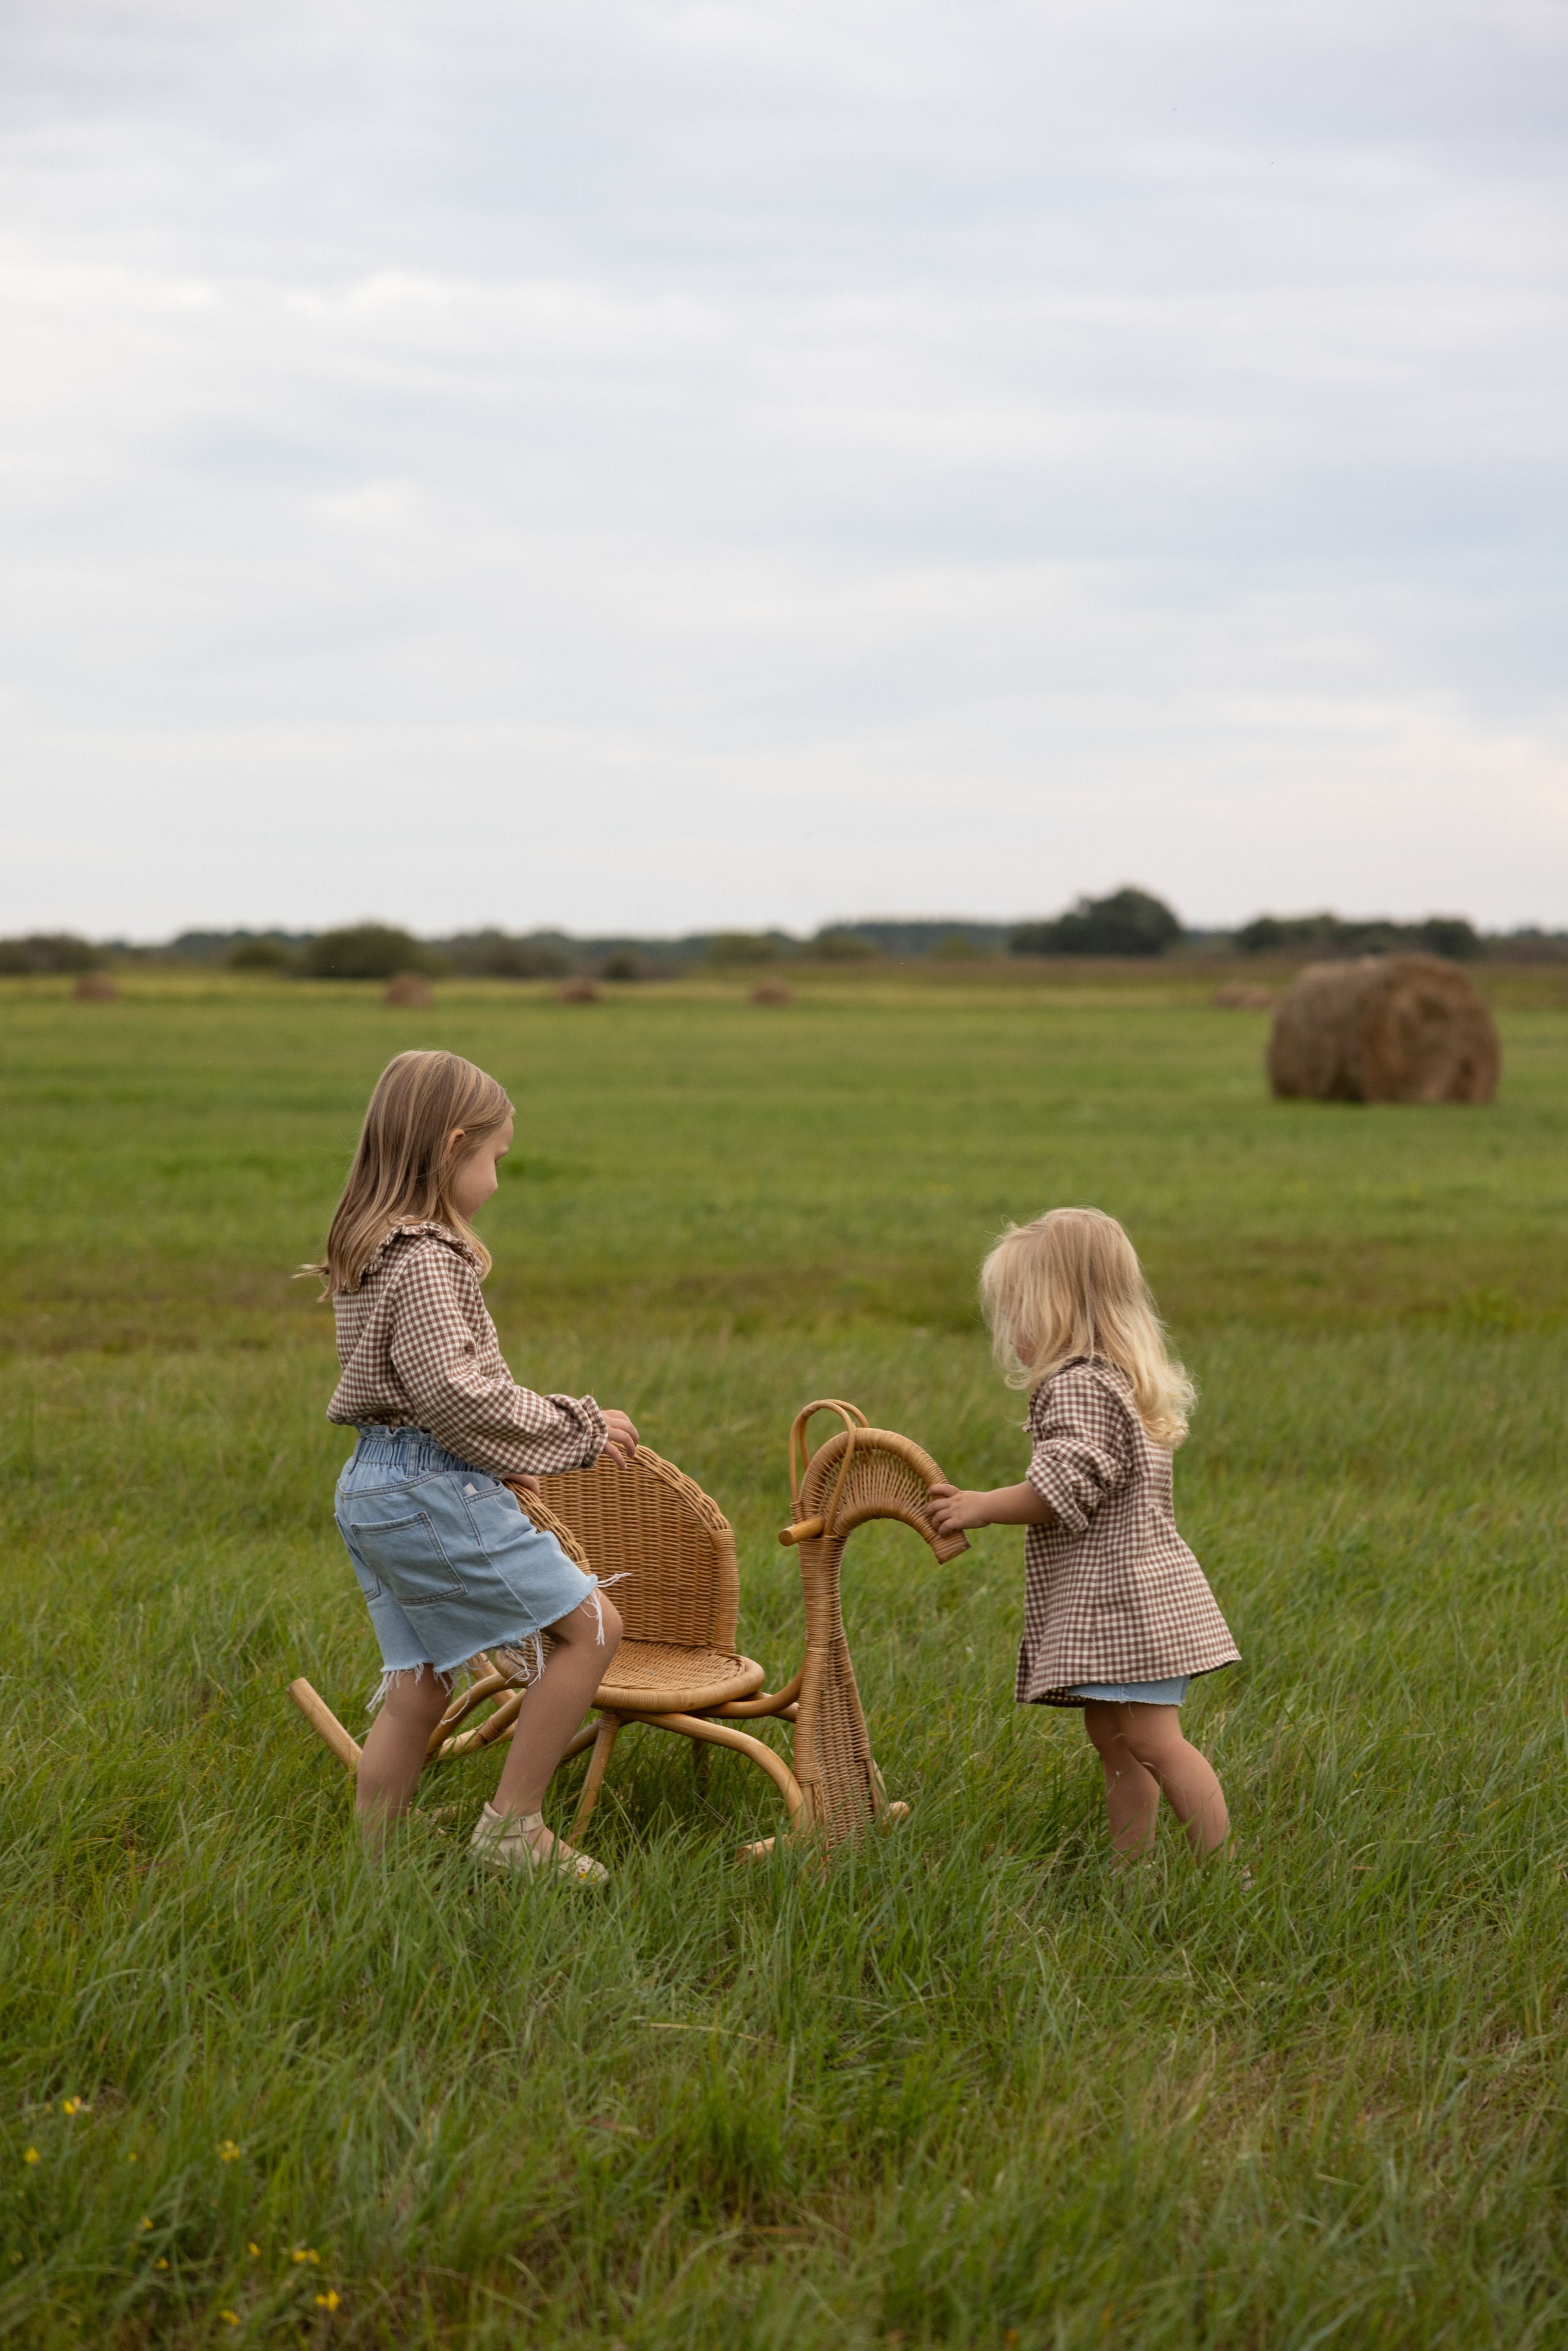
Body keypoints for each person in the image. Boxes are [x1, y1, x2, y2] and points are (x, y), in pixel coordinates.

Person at [311, 1048, 638, 1882]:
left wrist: (496, 1462)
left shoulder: (370, 1247)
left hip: (373, 1484)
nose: (497, 1179)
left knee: (419, 1685)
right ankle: (513, 1824)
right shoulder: (427, 1258)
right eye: (497, 1157)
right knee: (594, 1628)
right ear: (454, 1145)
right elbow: (455, 1394)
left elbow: (420, 1396)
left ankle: (377, 1866)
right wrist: (577, 1427)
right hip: (426, 1485)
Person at [927, 1207, 1238, 1860]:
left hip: (1124, 1605)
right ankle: (1130, 1870)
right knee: (1117, 1742)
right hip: (1129, 1599)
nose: (1008, 1326)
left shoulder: (1077, 1387)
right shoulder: (1114, 1379)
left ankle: (1224, 1874)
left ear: (1058, 1308)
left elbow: (1060, 1488)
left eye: (1016, 1308)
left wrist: (982, 1506)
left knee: (1154, 1742)